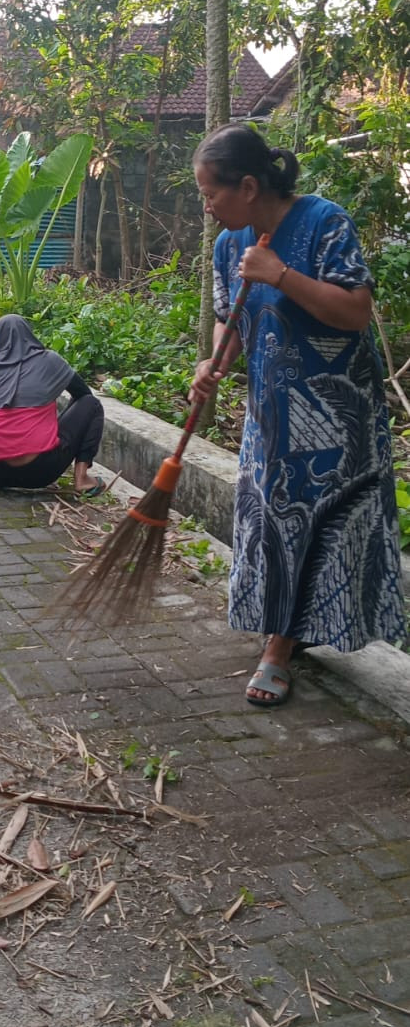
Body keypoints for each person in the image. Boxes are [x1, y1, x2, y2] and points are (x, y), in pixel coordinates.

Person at [190, 122, 405, 709]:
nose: (207, 207)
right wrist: (215, 361)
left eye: (212, 194)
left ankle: (277, 649)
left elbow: (356, 311)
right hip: (271, 414)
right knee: (269, 525)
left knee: (317, 527)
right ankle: (290, 631)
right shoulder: (229, 244)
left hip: (338, 419)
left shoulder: (323, 222)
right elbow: (228, 318)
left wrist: (281, 275)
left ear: (250, 186)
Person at [0, 315, 108, 495]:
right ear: (29, 334)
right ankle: (82, 479)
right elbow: (83, 395)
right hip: (41, 471)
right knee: (91, 404)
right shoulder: (50, 361)